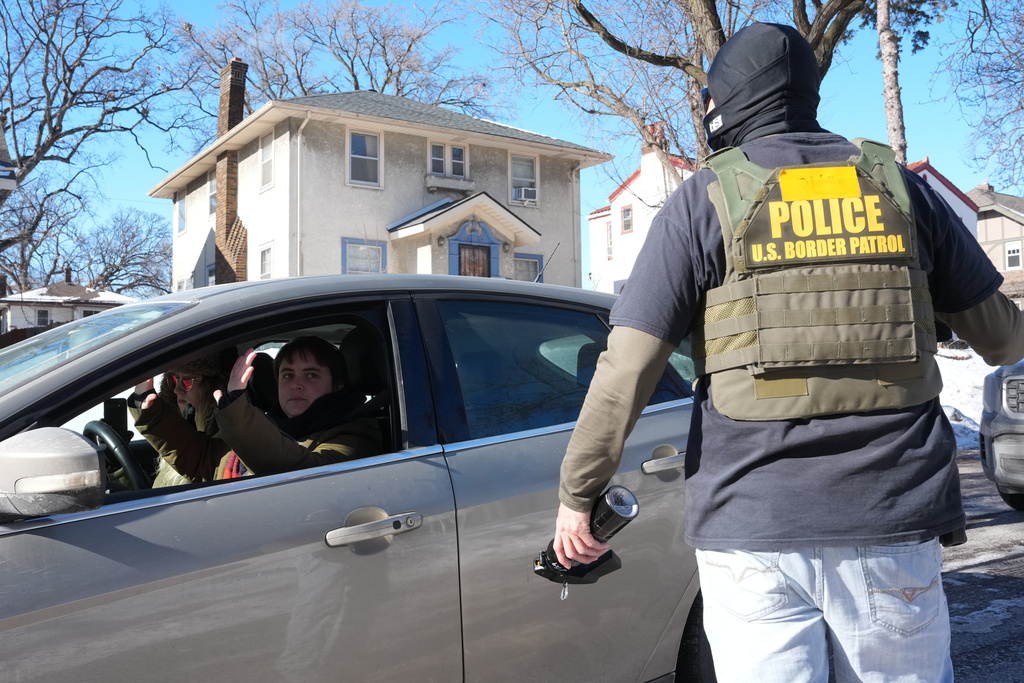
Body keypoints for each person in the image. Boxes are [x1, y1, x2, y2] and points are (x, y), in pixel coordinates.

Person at [552, 22, 1024, 682]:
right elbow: (1004, 337)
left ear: (729, 101)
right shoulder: (901, 192)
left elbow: (626, 368)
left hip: (753, 530)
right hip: (889, 518)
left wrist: (579, 495)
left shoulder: (700, 204)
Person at [213, 335, 383, 475]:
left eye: (311, 375)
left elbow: (300, 473)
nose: (295, 384)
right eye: (288, 375)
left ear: (337, 384)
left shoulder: (356, 437)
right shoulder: (272, 423)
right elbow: (207, 465)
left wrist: (237, 414)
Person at [129, 350, 233, 486]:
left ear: (212, 386)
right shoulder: (176, 433)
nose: (177, 390)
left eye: (187, 381)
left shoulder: (222, 445)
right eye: (172, 380)